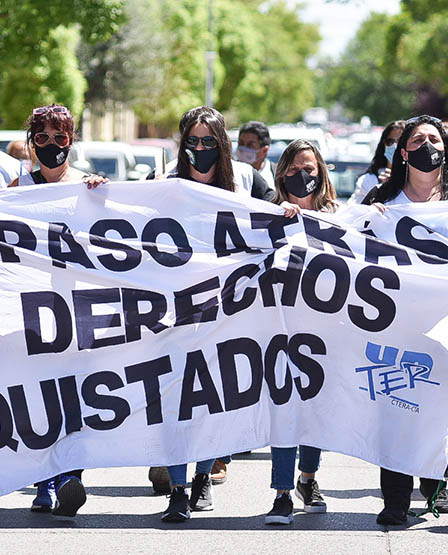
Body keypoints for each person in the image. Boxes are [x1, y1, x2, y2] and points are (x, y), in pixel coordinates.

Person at [363, 115, 448, 525]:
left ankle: (434, 485)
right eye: (418, 140)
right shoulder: (381, 203)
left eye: (435, 139)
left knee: (439, 410)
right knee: (396, 408)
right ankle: (394, 500)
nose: (428, 146)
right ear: (403, 151)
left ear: (446, 149)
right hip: (394, 327)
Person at [157, 105, 273, 522]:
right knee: (174, 403)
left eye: (208, 141)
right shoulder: (164, 185)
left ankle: (204, 475)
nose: (200, 149)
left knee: (209, 401)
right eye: (193, 141)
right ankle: (176, 488)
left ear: (222, 145)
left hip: (225, 312)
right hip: (174, 313)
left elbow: (274, 219)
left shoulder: (245, 181)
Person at [10, 104, 105, 518]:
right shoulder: (18, 185)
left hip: (78, 311)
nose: (51, 146)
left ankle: (71, 477)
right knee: (40, 401)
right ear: (32, 143)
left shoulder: (88, 186)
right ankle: (44, 484)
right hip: (31, 309)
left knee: (75, 398)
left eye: (59, 138)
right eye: (42, 138)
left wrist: (104, 196)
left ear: (72, 141)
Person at [264, 139, 337, 525]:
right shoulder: (267, 215)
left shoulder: (341, 218)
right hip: (278, 331)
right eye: (293, 169)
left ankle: (308, 479)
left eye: (309, 168)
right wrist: (277, 217)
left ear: (321, 172)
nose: (302, 175)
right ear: (281, 174)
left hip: (325, 333)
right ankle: (281, 492)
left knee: (315, 412)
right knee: (284, 412)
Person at [347, 120, 405, 205]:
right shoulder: (368, 180)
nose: (395, 146)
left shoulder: (416, 181)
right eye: (390, 142)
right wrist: (381, 189)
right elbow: (354, 212)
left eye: (400, 142)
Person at [237, 120, 275, 187]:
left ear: (264, 150)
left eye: (250, 145)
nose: (243, 148)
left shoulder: (277, 175)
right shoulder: (231, 172)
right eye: (241, 143)